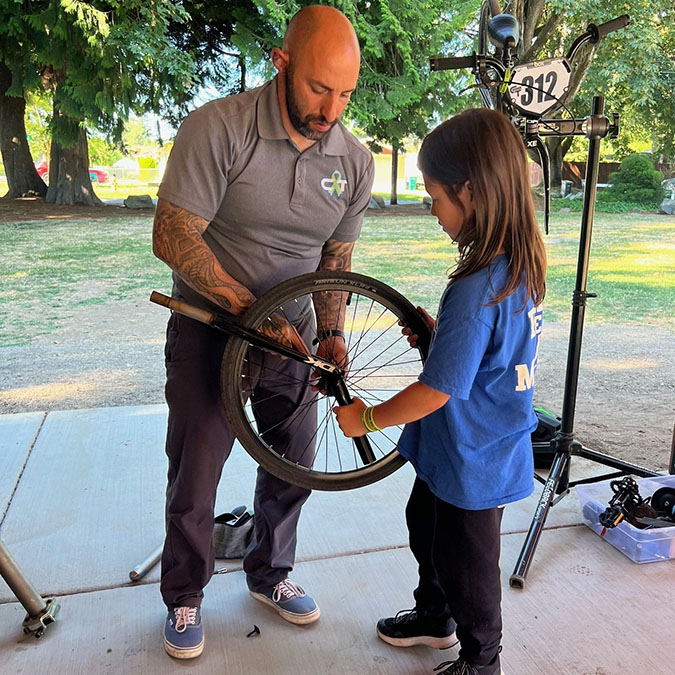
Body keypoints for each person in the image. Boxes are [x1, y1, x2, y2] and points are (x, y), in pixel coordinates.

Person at [152, 5, 373, 660]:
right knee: (195, 470)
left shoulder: (353, 161)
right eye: (316, 87)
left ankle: (269, 572)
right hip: (210, 327)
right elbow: (173, 234)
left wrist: (329, 332)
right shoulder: (218, 127)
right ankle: (184, 593)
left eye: (344, 93)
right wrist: (254, 312)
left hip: (295, 335)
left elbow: (335, 260)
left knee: (292, 461)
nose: (330, 107)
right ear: (281, 64)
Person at [334, 108, 547, 675]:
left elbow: (436, 391)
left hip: (474, 459)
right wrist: (438, 337)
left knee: (469, 568)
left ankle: (483, 661)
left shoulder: (477, 288)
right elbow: (483, 358)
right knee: (424, 525)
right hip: (461, 448)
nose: (431, 210)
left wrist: (369, 420)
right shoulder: (515, 267)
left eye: (434, 196)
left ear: (471, 192)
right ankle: (434, 617)